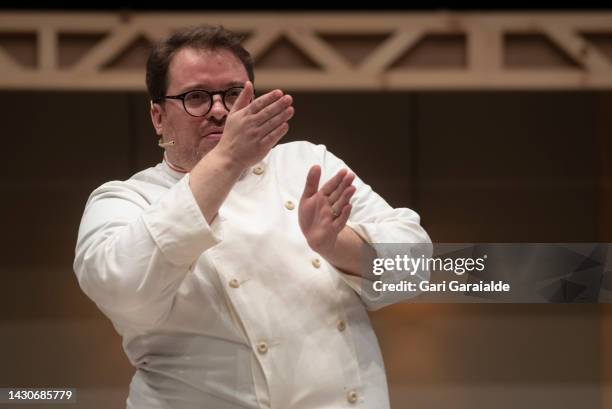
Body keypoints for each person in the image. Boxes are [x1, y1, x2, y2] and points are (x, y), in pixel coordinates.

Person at [74, 25, 430, 409]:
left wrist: (334, 244)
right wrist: (228, 158)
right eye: (196, 97)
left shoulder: (307, 163)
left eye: (232, 94)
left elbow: (416, 268)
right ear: (158, 117)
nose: (219, 110)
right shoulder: (126, 199)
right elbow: (122, 290)